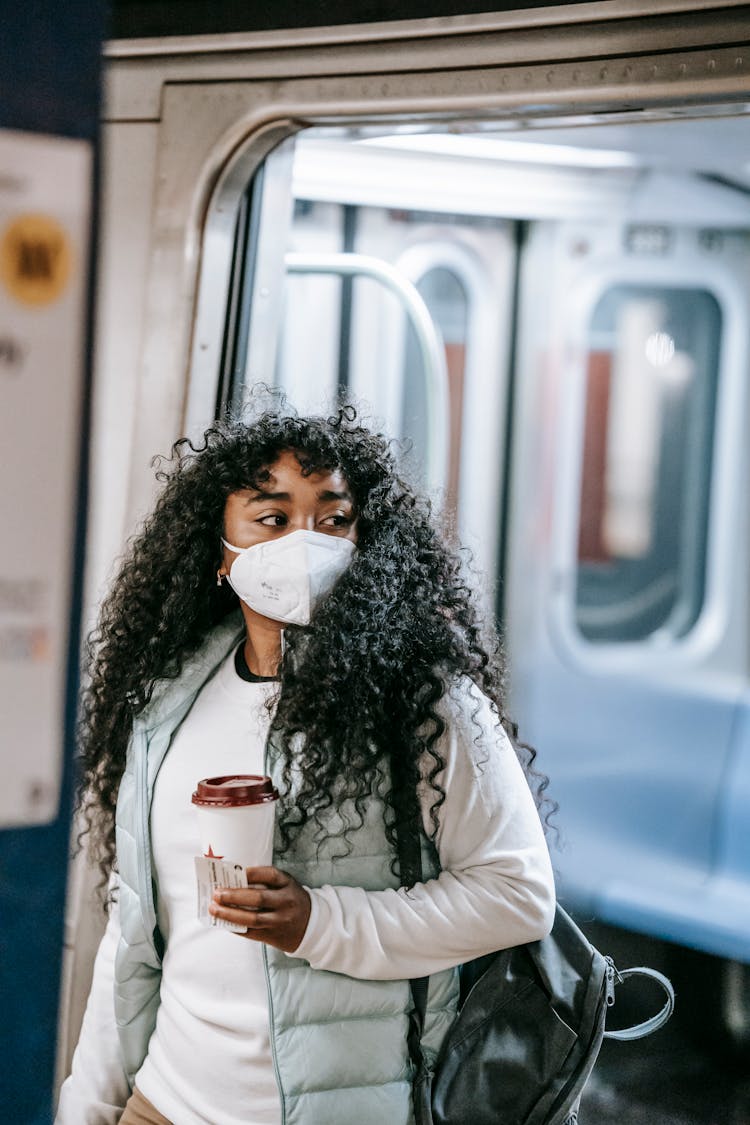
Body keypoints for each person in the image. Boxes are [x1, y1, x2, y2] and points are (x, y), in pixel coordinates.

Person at [57, 403, 556, 1125]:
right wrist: (90, 1107)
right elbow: (130, 937)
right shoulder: (168, 705)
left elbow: (519, 892)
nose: (305, 543)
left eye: (333, 518)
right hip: (162, 1105)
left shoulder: (427, 704)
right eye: (271, 517)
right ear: (221, 551)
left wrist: (318, 921)